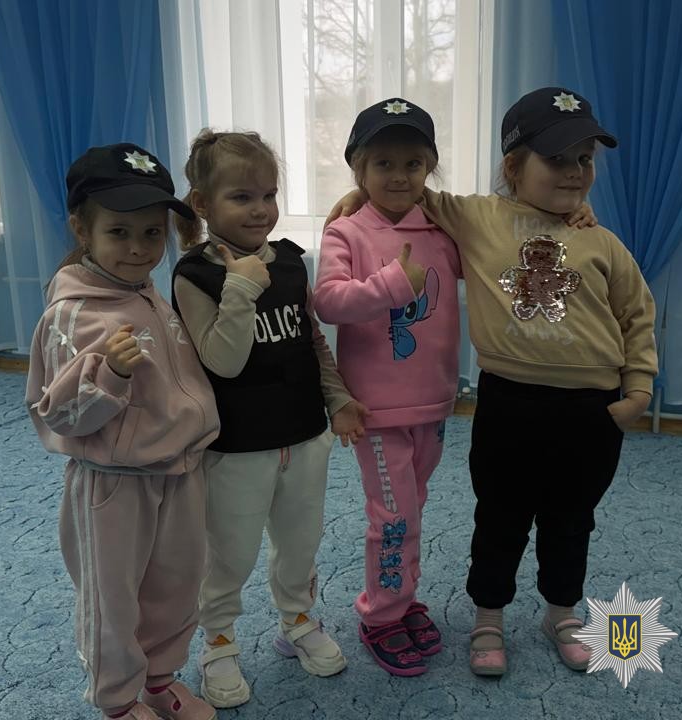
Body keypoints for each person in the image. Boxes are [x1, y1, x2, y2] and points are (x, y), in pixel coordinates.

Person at [328, 87, 655, 677]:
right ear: (513, 167)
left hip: (591, 408)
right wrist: (359, 195)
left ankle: (562, 612)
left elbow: (636, 311)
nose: (574, 171)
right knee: (500, 515)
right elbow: (404, 189)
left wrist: (639, 388)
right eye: (556, 159)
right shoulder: (476, 218)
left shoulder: (599, 238)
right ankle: (486, 617)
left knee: (572, 517)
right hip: (510, 400)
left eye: (584, 160)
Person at [170, 129, 367, 708]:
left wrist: (338, 398)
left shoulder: (290, 263)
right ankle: (219, 640)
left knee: (301, 541)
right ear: (203, 204)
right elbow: (223, 361)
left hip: (304, 435)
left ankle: (297, 620)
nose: (260, 209)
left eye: (268, 195)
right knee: (229, 553)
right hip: (236, 446)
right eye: (241, 197)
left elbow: (311, 341)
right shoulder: (193, 275)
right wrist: (239, 287)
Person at [26, 143, 220, 719]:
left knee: (176, 585)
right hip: (112, 485)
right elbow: (58, 415)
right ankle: (116, 701)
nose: (138, 248)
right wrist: (108, 373)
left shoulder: (146, 291)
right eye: (119, 232)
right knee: (113, 597)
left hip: (179, 472)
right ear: (82, 230)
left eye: (152, 233)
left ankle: (159, 681)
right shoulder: (71, 313)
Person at [313, 98, 461, 677]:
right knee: (394, 516)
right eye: (383, 164)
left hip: (434, 402)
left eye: (413, 164)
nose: (399, 176)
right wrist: (394, 284)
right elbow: (329, 301)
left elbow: (501, 239)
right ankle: (380, 616)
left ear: (429, 168)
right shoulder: (346, 231)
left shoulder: (444, 231)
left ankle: (401, 598)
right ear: (359, 168)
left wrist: (574, 215)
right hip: (376, 409)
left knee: (411, 509)